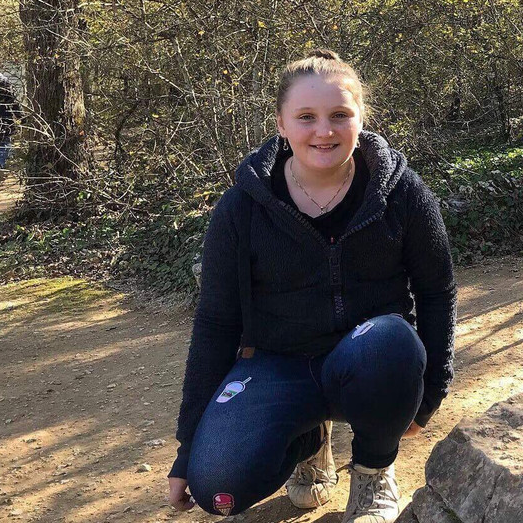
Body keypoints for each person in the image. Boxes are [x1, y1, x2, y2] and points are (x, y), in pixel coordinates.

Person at [166, 50, 457, 522]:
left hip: (370, 360)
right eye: (306, 117)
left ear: (361, 119)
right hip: (277, 365)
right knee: (216, 487)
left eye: (340, 115)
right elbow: (217, 322)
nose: (324, 131)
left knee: (391, 342)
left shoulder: (403, 193)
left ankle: (371, 471)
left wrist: (431, 392)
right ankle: (307, 440)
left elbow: (436, 290)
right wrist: (188, 444)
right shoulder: (241, 208)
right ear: (281, 124)